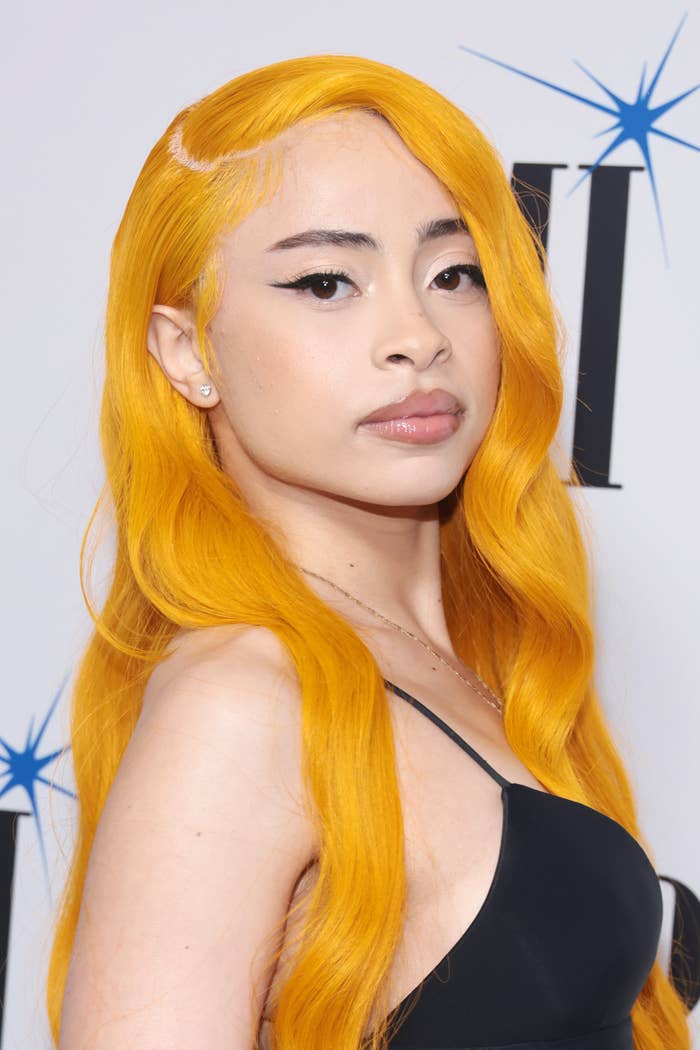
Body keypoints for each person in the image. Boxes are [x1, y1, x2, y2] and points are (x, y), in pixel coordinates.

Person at [46, 53, 690, 1050]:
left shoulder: (476, 658)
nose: (416, 335)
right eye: (325, 281)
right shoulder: (241, 704)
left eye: (454, 274)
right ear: (187, 350)